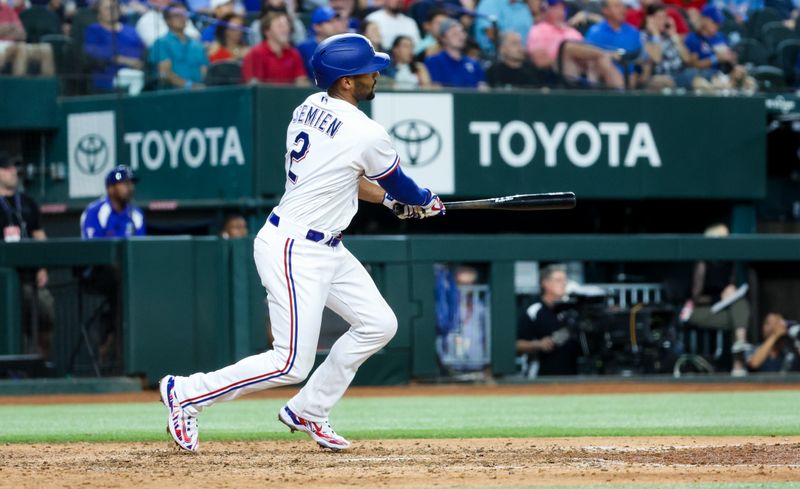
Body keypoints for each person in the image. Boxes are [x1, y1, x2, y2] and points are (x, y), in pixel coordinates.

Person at [159, 33, 445, 453]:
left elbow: (348, 176)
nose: (376, 74)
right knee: (290, 362)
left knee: (378, 324)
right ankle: (186, 392)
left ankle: (310, 408)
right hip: (294, 247)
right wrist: (422, 201)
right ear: (346, 81)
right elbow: (400, 182)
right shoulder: (365, 130)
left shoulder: (309, 106)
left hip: (325, 245)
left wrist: (389, 201)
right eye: (369, 70)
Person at [0, 152, 55, 358]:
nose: (13, 172)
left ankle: (39, 366)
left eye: (15, 168)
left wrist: (43, 266)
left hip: (29, 277)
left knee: (45, 314)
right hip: (3, 278)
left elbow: (40, 236)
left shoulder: (27, 202)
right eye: (7, 168)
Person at [683, 223, 750, 375]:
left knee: (740, 305)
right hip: (698, 310)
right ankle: (739, 363)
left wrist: (730, 292)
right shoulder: (702, 262)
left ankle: (740, 345)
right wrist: (718, 296)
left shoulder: (728, 262)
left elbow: (730, 288)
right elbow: (695, 297)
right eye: (723, 238)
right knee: (738, 319)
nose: (727, 241)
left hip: (721, 308)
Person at [526, 0, 623, 88]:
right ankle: (603, 53)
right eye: (556, 8)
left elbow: (586, 51)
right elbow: (540, 62)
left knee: (601, 60)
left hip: (585, 70)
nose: (560, 11)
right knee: (567, 47)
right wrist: (564, 55)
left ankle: (621, 95)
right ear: (546, 10)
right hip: (556, 73)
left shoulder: (572, 31)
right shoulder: (538, 30)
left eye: (563, 8)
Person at [516, 264, 580, 376]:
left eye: (565, 280)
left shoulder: (571, 310)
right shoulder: (533, 310)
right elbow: (516, 344)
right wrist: (538, 345)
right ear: (545, 283)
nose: (564, 284)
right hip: (541, 375)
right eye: (558, 280)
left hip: (571, 374)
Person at [83, 0, 146, 93]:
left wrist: (140, 63)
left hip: (138, 72)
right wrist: (123, 60)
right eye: (107, 8)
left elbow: (143, 51)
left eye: (115, 7)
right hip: (107, 80)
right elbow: (92, 52)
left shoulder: (131, 30)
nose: (112, 11)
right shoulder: (93, 30)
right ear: (98, 13)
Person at [639, 2, 705, 90]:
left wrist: (674, 36)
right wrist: (656, 34)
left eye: (664, 17)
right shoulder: (644, 36)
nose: (663, 21)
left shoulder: (669, 35)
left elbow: (687, 59)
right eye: (659, 17)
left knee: (701, 80)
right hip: (659, 78)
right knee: (666, 82)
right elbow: (656, 59)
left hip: (680, 73)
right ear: (650, 19)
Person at [149, 2, 209, 90]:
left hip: (200, 92)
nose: (182, 18)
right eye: (177, 15)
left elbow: (204, 71)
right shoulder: (161, 43)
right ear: (167, 20)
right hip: (172, 95)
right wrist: (190, 86)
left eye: (184, 14)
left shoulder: (197, 45)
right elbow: (165, 74)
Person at [241, 11, 307, 84]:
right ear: (267, 31)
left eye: (287, 25)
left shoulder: (294, 54)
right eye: (280, 26)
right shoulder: (255, 54)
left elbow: (301, 82)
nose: (286, 29)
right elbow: (254, 87)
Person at [80, 165, 145, 239]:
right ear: (110, 189)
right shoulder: (95, 212)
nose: (131, 188)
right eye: (125, 183)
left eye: (132, 183)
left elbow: (140, 247)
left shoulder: (136, 213)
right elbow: (92, 247)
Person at [424, 18, 487, 88]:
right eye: (454, 33)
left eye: (461, 32)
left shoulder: (474, 64)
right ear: (443, 38)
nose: (460, 36)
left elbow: (482, 88)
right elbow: (435, 88)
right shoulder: (434, 62)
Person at [585, 0, 642, 76]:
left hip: (631, 79)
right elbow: (589, 59)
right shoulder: (595, 32)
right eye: (617, 6)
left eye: (623, 6)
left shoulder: (634, 32)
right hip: (603, 81)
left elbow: (640, 58)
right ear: (605, 10)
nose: (622, 9)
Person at [0, 0, 54, 76]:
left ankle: (46, 86)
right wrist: (10, 28)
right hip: (4, 47)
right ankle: (17, 84)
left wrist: (4, 30)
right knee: (20, 49)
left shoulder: (7, 8)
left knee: (46, 49)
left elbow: (22, 34)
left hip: (15, 44)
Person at [297, 7, 346, 83]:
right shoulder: (304, 48)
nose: (335, 24)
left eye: (336, 20)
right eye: (330, 21)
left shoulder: (343, 47)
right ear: (317, 27)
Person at [136, 0, 201, 48]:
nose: (168, 1)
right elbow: (155, 45)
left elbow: (196, 36)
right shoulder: (145, 20)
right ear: (152, 1)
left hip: (189, 52)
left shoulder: (180, 14)